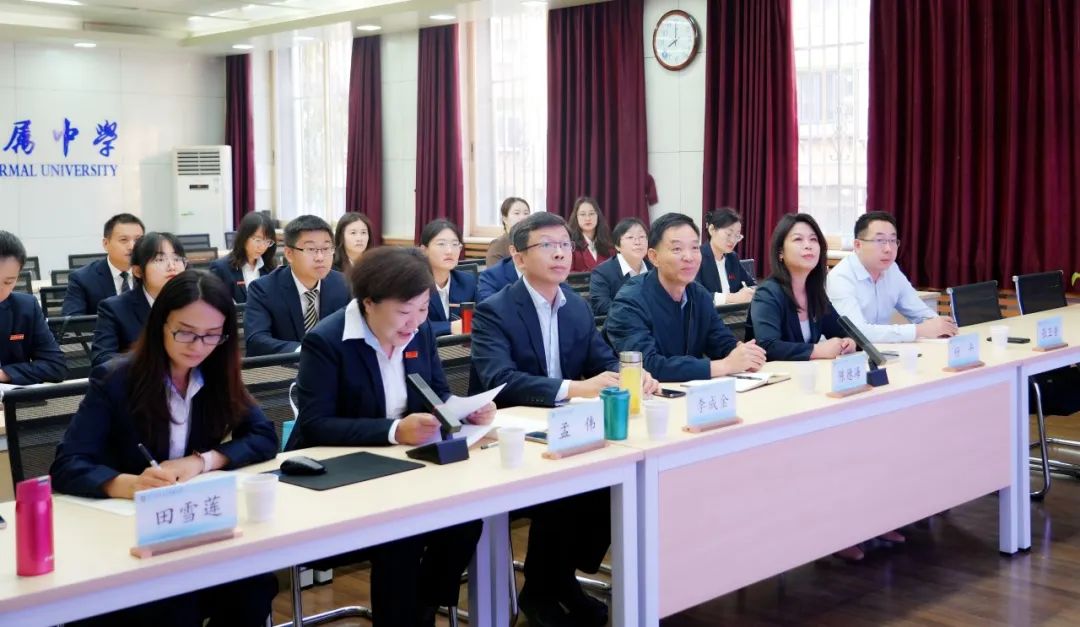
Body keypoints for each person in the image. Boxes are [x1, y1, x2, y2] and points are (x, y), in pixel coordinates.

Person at [50, 270, 279, 626]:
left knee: (254, 586)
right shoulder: (116, 379)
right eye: (185, 332)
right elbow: (67, 464)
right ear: (160, 324)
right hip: (124, 535)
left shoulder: (216, 373)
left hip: (191, 528)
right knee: (175, 607)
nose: (197, 346)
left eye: (211, 335)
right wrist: (130, 484)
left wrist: (201, 461)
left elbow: (263, 435)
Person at [469, 212, 658, 627]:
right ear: (519, 257)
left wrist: (633, 375)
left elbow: (602, 360)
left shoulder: (576, 306)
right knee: (563, 490)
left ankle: (556, 579)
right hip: (511, 435)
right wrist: (575, 388)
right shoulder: (495, 310)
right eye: (547, 245)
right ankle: (544, 587)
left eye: (565, 245)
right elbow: (500, 380)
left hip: (566, 429)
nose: (560, 253)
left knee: (611, 480)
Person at [286, 247, 492, 626]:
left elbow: (436, 393)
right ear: (369, 303)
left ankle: (421, 610)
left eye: (423, 309)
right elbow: (316, 424)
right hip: (341, 474)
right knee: (402, 536)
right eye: (403, 311)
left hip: (407, 468)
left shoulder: (420, 332)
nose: (414, 322)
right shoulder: (327, 340)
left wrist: (462, 409)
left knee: (465, 522)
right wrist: (395, 430)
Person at [605, 213, 766, 382]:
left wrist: (742, 352)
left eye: (695, 247)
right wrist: (725, 366)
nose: (689, 257)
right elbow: (646, 365)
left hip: (689, 391)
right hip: (636, 394)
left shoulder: (699, 294)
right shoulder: (629, 301)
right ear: (654, 257)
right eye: (677, 249)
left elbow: (720, 340)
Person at [826, 210, 957, 342]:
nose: (888, 249)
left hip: (884, 349)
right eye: (880, 240)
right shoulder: (840, 278)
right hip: (848, 351)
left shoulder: (891, 269)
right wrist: (919, 330)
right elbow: (857, 332)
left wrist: (939, 326)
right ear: (858, 245)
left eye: (893, 240)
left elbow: (918, 311)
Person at [750, 213, 855, 362]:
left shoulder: (814, 291)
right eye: (798, 239)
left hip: (805, 372)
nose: (808, 245)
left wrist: (850, 342)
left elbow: (842, 330)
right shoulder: (767, 293)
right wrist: (816, 350)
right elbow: (768, 346)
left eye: (813, 239)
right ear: (780, 252)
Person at [244, 215, 349, 356]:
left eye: (326, 248)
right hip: (284, 367)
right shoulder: (263, 289)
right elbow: (256, 341)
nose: (320, 257)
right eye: (311, 249)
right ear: (289, 254)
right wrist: (306, 351)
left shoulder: (343, 284)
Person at [91, 233, 187, 369]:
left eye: (177, 259)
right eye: (160, 259)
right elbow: (101, 359)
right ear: (138, 271)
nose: (172, 266)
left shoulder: (196, 304)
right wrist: (156, 356)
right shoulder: (115, 308)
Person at [0, 231, 64, 385]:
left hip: (12, 397)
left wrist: (4, 374)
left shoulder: (26, 307)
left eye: (8, 282)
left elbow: (56, 366)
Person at [62, 213, 145, 316]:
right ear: (106, 244)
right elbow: (72, 321)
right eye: (123, 240)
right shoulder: (82, 279)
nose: (132, 246)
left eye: (138, 240)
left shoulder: (151, 274)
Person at [419, 219, 477, 336]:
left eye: (455, 244)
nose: (449, 251)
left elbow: (484, 317)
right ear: (424, 250)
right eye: (441, 244)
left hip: (462, 346)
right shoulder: (413, 285)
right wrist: (450, 327)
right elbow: (412, 326)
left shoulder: (468, 281)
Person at [588, 218, 652, 316]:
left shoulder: (655, 269)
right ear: (617, 246)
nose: (638, 242)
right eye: (630, 237)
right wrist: (637, 314)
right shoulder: (602, 272)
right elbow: (601, 306)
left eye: (642, 236)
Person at [209, 212, 276, 304]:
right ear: (244, 237)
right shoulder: (221, 268)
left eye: (267, 241)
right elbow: (214, 305)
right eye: (258, 240)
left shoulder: (270, 268)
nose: (262, 247)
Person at [698, 207, 757, 305]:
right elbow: (695, 296)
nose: (733, 240)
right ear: (712, 230)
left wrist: (750, 292)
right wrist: (733, 298)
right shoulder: (697, 258)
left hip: (734, 313)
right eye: (729, 234)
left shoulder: (732, 258)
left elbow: (751, 284)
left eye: (737, 236)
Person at [568, 196, 614, 272]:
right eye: (583, 214)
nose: (588, 218)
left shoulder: (609, 246)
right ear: (576, 217)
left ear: (598, 216)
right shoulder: (570, 246)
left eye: (591, 213)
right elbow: (567, 275)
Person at [485, 196, 530, 266]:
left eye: (526, 213)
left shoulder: (531, 241)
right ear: (505, 219)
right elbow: (494, 272)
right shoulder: (498, 245)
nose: (522, 217)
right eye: (516, 213)